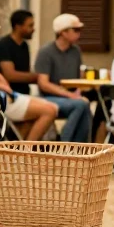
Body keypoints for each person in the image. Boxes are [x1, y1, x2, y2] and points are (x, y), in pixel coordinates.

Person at [0, 9, 59, 139]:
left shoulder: (24, 46)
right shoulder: (5, 45)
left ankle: (20, 147)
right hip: (8, 98)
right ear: (18, 26)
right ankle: (27, 148)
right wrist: (38, 77)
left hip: (23, 96)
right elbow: (10, 75)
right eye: (30, 25)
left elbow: (25, 74)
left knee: (51, 108)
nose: (33, 29)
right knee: (50, 111)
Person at [34, 13, 92, 143]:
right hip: (49, 97)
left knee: (86, 105)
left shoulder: (75, 51)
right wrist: (70, 95)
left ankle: (79, 146)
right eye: (76, 30)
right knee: (81, 105)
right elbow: (43, 84)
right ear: (63, 32)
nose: (79, 33)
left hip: (71, 96)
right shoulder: (46, 52)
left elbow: (78, 78)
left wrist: (78, 91)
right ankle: (64, 142)